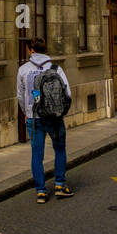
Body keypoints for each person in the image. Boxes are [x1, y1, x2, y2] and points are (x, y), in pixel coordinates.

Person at [17, 38, 73, 202]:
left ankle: (41, 191)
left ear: (32, 50)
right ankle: (60, 185)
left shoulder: (23, 69)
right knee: (60, 150)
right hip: (55, 117)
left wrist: (26, 112)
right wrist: (61, 112)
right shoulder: (56, 68)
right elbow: (67, 94)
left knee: (37, 154)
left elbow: (20, 96)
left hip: (34, 118)